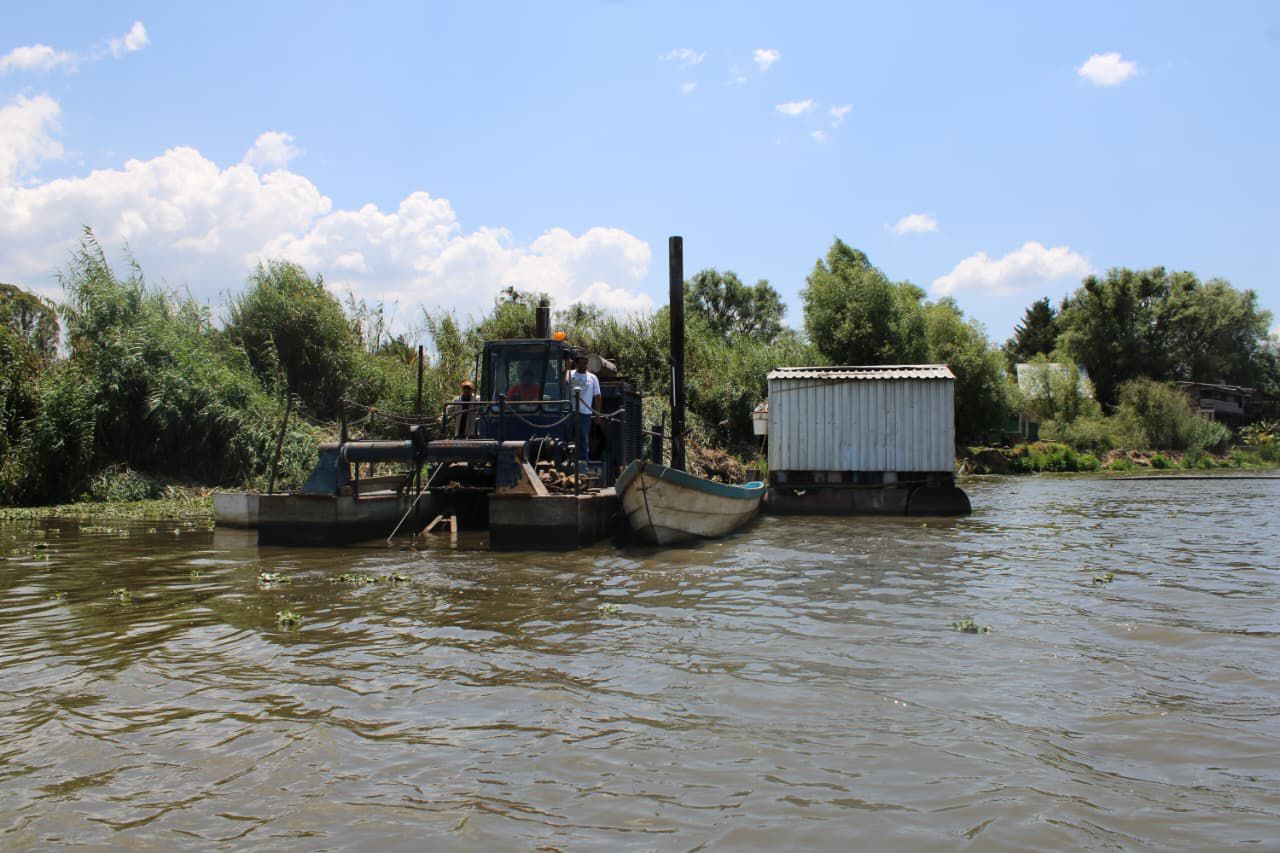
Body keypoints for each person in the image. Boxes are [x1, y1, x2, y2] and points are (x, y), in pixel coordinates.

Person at [566, 354, 601, 459]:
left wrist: (597, 415)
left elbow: (598, 397)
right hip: (569, 411)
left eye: (585, 362)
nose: (583, 365)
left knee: (583, 438)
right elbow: (565, 383)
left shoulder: (593, 378)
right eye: (581, 362)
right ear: (576, 364)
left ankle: (583, 462)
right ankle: (568, 459)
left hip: (585, 413)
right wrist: (567, 368)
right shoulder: (569, 373)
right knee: (568, 436)